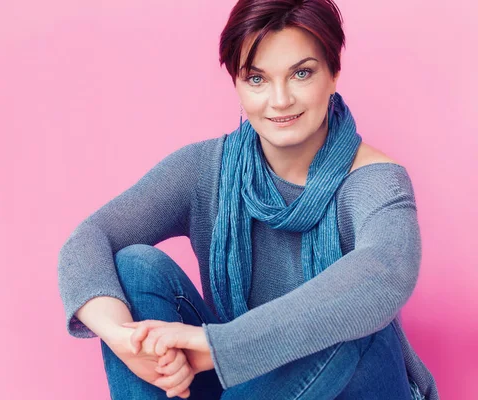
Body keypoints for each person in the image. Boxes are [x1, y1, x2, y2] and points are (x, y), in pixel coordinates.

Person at [57, 0, 440, 399]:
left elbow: (384, 273)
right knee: (135, 266)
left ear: (334, 73)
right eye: (257, 79)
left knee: (344, 310)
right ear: (237, 84)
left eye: (301, 73)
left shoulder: (376, 182)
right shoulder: (207, 169)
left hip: (355, 385)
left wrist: (221, 347)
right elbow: (90, 238)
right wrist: (125, 341)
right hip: (247, 387)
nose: (279, 100)